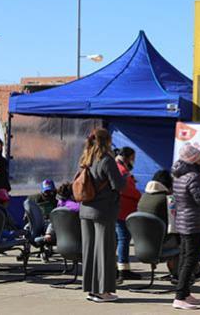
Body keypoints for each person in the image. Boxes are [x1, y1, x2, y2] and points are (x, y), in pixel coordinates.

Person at [78, 128, 126, 303]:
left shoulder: (85, 158)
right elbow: (118, 185)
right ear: (107, 141)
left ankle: (91, 289)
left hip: (85, 209)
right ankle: (103, 291)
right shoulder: (107, 160)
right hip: (103, 211)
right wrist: (125, 175)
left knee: (90, 251)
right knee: (104, 251)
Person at [171, 144, 200, 310]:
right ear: (194, 160)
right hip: (193, 223)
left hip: (183, 221)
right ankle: (180, 296)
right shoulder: (193, 177)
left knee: (185, 257)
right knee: (190, 259)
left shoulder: (178, 175)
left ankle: (185, 293)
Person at [114, 147, 143, 281]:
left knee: (118, 239)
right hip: (122, 211)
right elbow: (127, 190)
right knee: (123, 239)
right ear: (127, 157)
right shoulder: (122, 170)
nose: (133, 161)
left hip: (119, 209)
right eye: (133, 158)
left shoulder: (117, 167)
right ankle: (123, 270)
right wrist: (139, 196)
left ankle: (118, 268)